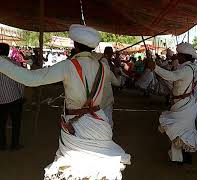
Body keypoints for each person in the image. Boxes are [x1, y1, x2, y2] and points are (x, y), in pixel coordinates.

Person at [0, 24, 130, 179]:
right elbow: (116, 82)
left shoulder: (68, 66)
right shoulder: (103, 67)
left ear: (75, 44)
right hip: (100, 123)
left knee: (73, 171)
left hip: (75, 126)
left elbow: (31, 79)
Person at [148, 42, 197, 164]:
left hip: (184, 104)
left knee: (178, 131)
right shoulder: (189, 67)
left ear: (184, 56)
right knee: (181, 131)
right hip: (184, 103)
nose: (176, 56)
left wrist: (156, 68)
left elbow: (172, 76)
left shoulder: (186, 69)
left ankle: (180, 158)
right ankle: (179, 157)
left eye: (179, 55)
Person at [0, 43, 25, 151]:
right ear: (7, 51)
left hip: (0, 100)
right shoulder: (14, 64)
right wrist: (21, 96)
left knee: (1, 124)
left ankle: (2, 145)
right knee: (16, 123)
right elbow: (20, 82)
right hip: (14, 97)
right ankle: (14, 144)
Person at [100, 46, 122, 128]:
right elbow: (117, 83)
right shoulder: (108, 71)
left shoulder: (94, 68)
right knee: (108, 116)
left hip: (96, 98)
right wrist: (118, 75)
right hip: (107, 97)